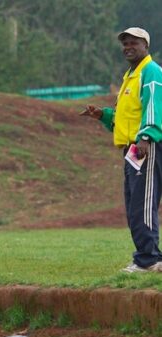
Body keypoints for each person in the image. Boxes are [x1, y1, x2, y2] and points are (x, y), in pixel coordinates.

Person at [81, 27, 162, 273]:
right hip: (132, 149)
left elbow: (153, 106)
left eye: (133, 42)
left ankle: (150, 260)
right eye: (125, 43)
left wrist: (147, 135)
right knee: (134, 205)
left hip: (146, 145)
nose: (128, 46)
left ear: (145, 46)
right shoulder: (130, 76)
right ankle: (145, 258)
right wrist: (103, 115)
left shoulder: (151, 72)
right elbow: (125, 118)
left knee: (143, 204)